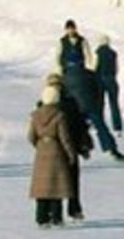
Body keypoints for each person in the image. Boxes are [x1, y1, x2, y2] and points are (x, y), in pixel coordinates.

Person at [55, 20, 124, 159]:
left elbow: (88, 57)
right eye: (68, 29)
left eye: (72, 28)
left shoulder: (81, 42)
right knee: (98, 122)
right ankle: (111, 148)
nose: (70, 31)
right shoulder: (63, 43)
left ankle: (73, 149)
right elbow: (59, 57)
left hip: (75, 96)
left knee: (72, 123)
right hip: (87, 98)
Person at [45, 73, 93, 222]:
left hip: (52, 149)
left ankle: (55, 213)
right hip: (71, 146)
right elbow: (80, 126)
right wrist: (84, 146)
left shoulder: (43, 105)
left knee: (54, 181)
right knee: (72, 180)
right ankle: (74, 209)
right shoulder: (71, 103)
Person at [29, 86, 77, 229]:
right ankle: (56, 217)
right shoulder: (59, 115)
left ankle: (41, 218)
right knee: (57, 186)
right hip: (56, 151)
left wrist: (39, 146)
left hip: (41, 151)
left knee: (41, 188)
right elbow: (64, 137)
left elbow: (31, 136)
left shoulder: (35, 115)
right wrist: (70, 153)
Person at [94, 34, 121, 136]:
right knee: (114, 104)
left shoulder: (98, 52)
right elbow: (116, 68)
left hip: (100, 79)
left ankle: (100, 126)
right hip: (111, 80)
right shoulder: (114, 53)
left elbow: (94, 66)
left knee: (100, 104)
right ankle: (117, 128)